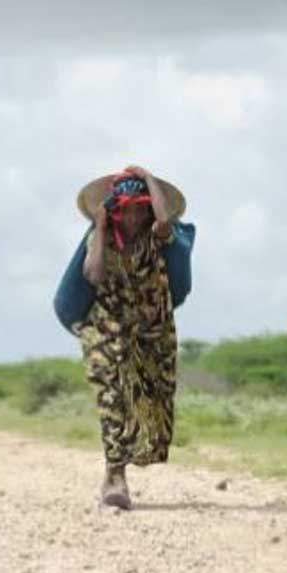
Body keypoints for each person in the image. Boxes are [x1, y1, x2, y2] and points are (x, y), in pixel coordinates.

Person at [78, 166, 185, 510]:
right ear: (115, 210)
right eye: (127, 208)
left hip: (151, 331)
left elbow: (166, 223)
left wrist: (150, 178)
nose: (135, 215)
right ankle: (115, 475)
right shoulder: (101, 239)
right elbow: (93, 275)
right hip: (107, 330)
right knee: (113, 397)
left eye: (141, 207)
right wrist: (100, 226)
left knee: (149, 398)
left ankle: (126, 462)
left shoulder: (157, 235)